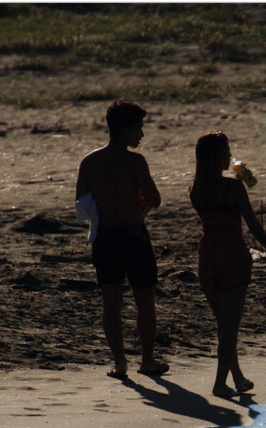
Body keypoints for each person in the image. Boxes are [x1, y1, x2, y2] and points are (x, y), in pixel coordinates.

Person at [75, 101, 167, 379]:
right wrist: (136, 200)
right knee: (144, 300)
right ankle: (147, 360)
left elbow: (81, 202)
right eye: (139, 128)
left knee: (111, 302)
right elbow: (155, 199)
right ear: (125, 129)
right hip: (134, 236)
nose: (141, 134)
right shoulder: (134, 161)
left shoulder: (89, 161)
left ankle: (120, 362)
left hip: (105, 238)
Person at [189, 131, 266, 399]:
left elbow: (215, 205)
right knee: (229, 327)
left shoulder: (194, 188)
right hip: (233, 256)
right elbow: (252, 224)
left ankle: (237, 377)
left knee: (224, 324)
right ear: (218, 156)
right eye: (227, 152)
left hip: (208, 256)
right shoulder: (233, 188)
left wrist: (237, 181)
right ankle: (219, 383)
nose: (230, 156)